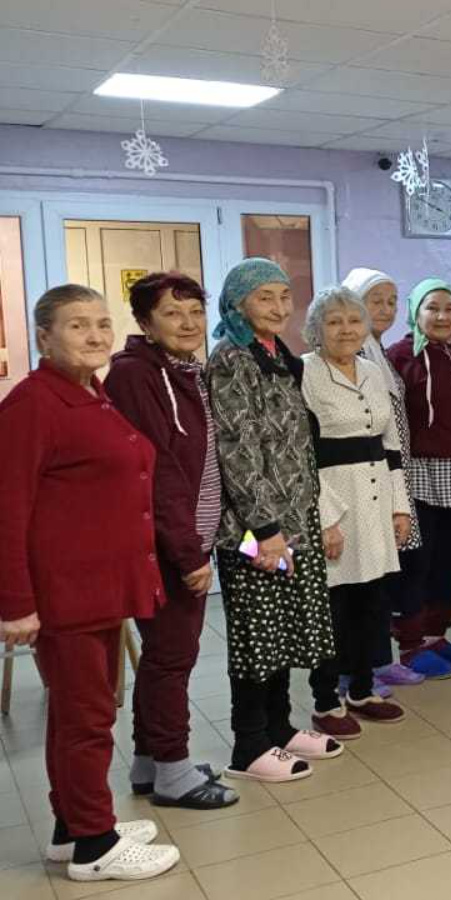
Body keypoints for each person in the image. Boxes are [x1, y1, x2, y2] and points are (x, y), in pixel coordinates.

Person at [0, 284, 183, 881]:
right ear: (44, 336)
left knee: (80, 712)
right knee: (87, 719)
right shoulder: (33, 404)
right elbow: (7, 510)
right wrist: (16, 604)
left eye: (103, 323)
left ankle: (71, 825)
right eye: (78, 325)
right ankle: (95, 846)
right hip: (67, 592)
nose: (96, 335)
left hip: (100, 587)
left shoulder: (89, 392)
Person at [103, 272, 236, 810]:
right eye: (172, 313)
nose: (188, 323)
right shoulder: (135, 375)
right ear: (144, 322)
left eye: (195, 312)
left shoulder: (186, 371)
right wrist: (187, 552)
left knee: (165, 654)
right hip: (162, 544)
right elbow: (155, 471)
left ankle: (149, 762)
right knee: (172, 657)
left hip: (189, 535)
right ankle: (174, 772)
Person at [207, 259, 341, 782]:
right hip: (254, 529)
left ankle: (280, 729)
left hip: (293, 520)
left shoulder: (277, 354)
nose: (280, 307)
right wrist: (265, 529)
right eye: (265, 297)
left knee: (284, 631)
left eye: (285, 296)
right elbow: (238, 449)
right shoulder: (231, 358)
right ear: (238, 303)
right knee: (257, 638)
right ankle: (249, 744)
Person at [299, 286, 411, 737]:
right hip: (335, 503)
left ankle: (362, 691)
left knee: (372, 603)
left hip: (376, 499)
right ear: (316, 329)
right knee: (334, 609)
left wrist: (400, 508)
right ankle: (326, 701)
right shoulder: (305, 372)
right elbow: (302, 453)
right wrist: (325, 519)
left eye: (353, 320)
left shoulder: (371, 370)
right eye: (333, 322)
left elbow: (391, 444)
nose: (345, 330)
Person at [387, 279, 451, 677]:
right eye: (432, 308)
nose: (442, 316)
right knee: (417, 560)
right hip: (419, 471)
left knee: (448, 558)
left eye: (449, 308)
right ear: (416, 313)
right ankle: (410, 643)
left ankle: (435, 636)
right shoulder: (400, 356)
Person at [344, 267, 425, 690]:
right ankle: (353, 670)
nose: (386, 309)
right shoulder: (349, 353)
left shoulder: (378, 351)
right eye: (375, 300)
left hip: (391, 476)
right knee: (359, 579)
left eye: (392, 301)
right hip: (361, 481)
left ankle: (378, 660)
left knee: (382, 575)